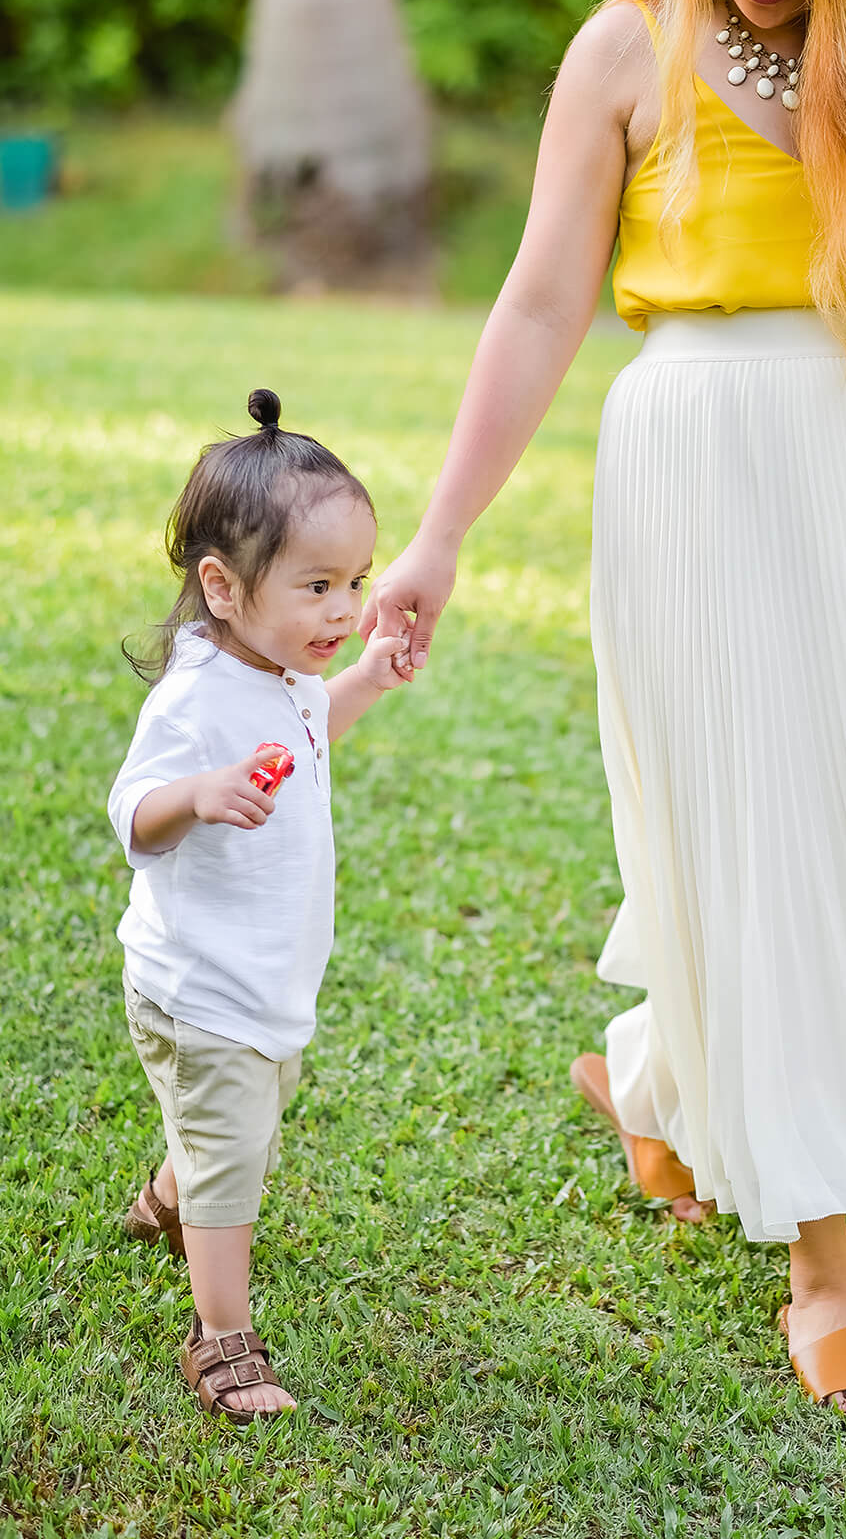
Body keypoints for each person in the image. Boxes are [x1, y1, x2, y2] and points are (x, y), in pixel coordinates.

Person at [362, 0, 846, 1422]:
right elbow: (534, 306)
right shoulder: (624, 53)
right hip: (702, 464)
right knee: (766, 830)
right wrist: (435, 540)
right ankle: (818, 1261)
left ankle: (656, 1081)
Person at [109, 390, 412, 1424]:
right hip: (204, 992)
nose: (343, 607)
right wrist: (197, 794)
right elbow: (131, 814)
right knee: (236, 1166)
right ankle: (221, 1341)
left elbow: (313, 723)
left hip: (266, 982)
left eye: (357, 582)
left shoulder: (281, 671)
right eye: (318, 584)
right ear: (222, 586)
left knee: (244, 1134)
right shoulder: (194, 699)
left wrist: (365, 676)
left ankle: (166, 1193)